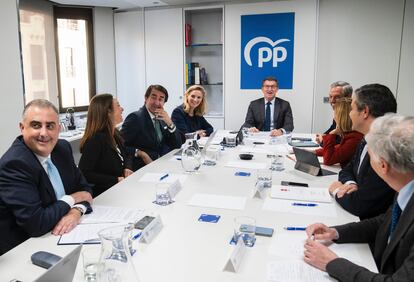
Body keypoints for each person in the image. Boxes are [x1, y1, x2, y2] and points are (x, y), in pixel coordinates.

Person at [304, 114, 414, 281]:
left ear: (383, 165)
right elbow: (385, 221)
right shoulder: (405, 187)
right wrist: (335, 232)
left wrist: (331, 262)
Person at [0, 99, 93, 255]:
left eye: (50, 126)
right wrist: (73, 198)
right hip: (26, 249)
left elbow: (86, 189)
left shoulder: (62, 148)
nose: (43, 133)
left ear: (58, 129)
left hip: (64, 235)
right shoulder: (14, 164)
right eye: (36, 125)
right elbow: (37, 223)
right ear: (22, 128)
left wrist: (76, 211)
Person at [328, 84, 396, 220]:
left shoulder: (385, 151)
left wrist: (336, 189)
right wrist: (350, 184)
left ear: (364, 111)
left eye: (352, 109)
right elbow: (347, 170)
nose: (349, 114)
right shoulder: (366, 139)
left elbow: (360, 205)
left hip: (369, 229)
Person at [79, 94, 133, 198]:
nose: (122, 109)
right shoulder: (95, 140)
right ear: (108, 112)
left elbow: (127, 155)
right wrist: (115, 180)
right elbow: (85, 173)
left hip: (120, 189)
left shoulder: (115, 133)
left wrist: (127, 167)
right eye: (118, 106)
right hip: (105, 194)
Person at [121, 84, 182, 171]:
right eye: (153, 97)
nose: (157, 102)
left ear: (164, 102)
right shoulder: (135, 117)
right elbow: (121, 146)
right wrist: (140, 153)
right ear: (146, 98)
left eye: (161, 99)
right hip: (142, 167)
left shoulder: (162, 118)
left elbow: (177, 145)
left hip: (160, 164)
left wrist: (170, 123)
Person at [315, 97, 363, 167]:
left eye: (335, 114)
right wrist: (313, 152)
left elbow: (328, 160)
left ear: (342, 117)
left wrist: (332, 134)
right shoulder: (350, 134)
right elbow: (337, 149)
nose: (334, 118)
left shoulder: (354, 139)